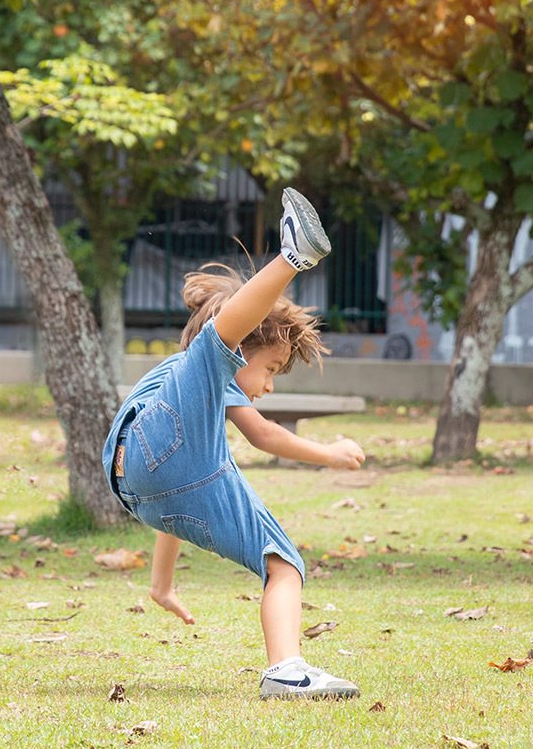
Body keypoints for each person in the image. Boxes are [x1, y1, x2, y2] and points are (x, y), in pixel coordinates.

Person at [102, 187, 366, 700]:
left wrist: (161, 584)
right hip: (160, 466)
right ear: (244, 347)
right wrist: (328, 454)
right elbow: (264, 434)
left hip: (131, 482)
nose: (268, 386)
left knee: (213, 468)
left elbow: (171, 496)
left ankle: (287, 668)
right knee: (284, 566)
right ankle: (286, 669)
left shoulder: (178, 386)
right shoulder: (211, 362)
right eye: (269, 370)